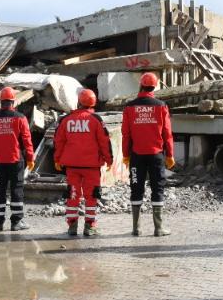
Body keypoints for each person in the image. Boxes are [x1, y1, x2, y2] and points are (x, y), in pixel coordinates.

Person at [122, 72, 176, 237]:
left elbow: (126, 134)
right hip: (156, 155)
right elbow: (167, 133)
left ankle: (136, 228)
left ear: (141, 85)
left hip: (136, 155)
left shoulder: (129, 107)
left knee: (136, 189)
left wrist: (125, 155)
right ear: (155, 86)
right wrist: (170, 155)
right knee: (157, 188)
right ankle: (158, 228)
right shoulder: (161, 106)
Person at [53, 89, 112, 237]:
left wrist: (57, 159)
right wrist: (109, 160)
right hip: (92, 166)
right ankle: (90, 227)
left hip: (72, 166)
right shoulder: (96, 120)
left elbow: (58, 141)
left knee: (73, 194)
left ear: (79, 102)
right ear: (93, 103)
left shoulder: (66, 120)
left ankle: (72, 227)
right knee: (91, 196)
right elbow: (104, 142)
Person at [0, 86, 34, 231]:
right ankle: (16, 222)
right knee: (16, 189)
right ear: (13, 101)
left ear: (1, 101)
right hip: (16, 160)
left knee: (0, 190)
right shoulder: (20, 118)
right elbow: (27, 140)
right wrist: (30, 158)